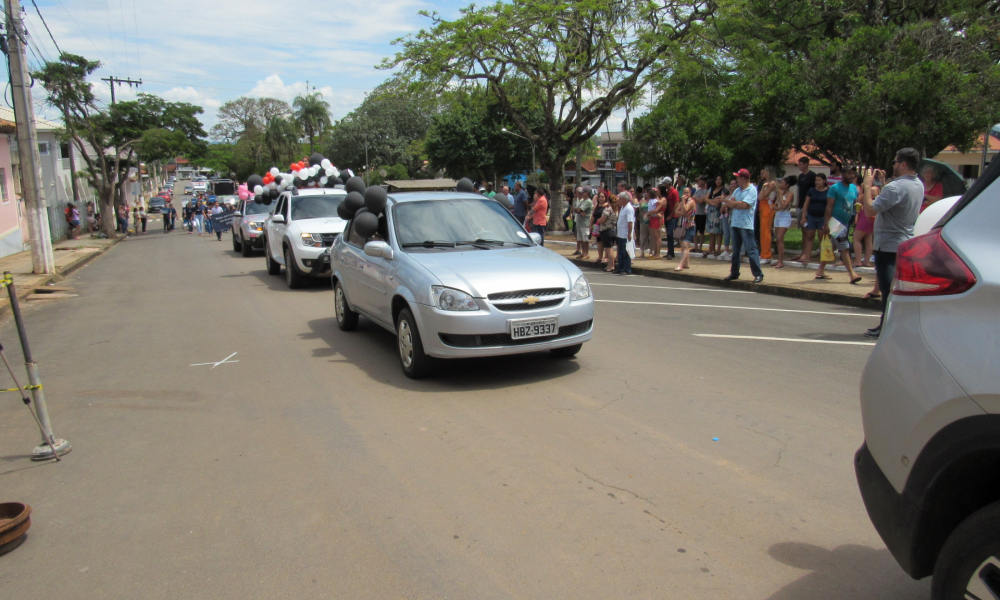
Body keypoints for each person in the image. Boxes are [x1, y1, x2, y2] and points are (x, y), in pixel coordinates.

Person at [860, 148, 924, 339]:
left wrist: (867, 187)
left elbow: (870, 210)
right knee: (894, 288)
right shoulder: (917, 184)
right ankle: (885, 324)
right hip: (905, 242)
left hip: (888, 244)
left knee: (888, 290)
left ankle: (887, 326)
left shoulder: (894, 188)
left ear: (903, 164)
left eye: (896, 162)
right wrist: (884, 183)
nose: (893, 164)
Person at [816, 166, 862, 284]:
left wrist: (857, 210)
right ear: (842, 174)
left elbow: (853, 203)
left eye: (853, 173)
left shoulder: (854, 188)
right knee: (844, 247)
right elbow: (829, 206)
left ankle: (820, 270)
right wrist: (826, 224)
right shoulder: (835, 188)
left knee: (832, 246)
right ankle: (852, 274)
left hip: (846, 221)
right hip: (834, 221)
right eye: (848, 173)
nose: (851, 176)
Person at [723, 168, 764, 283]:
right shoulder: (737, 190)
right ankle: (734, 272)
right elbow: (731, 202)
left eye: (738, 177)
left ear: (744, 179)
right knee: (735, 250)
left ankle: (758, 274)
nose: (736, 180)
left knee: (751, 249)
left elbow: (745, 205)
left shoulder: (752, 190)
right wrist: (727, 202)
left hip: (746, 224)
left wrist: (733, 204)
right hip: (735, 223)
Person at [799, 173, 831, 264]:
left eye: (819, 180)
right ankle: (807, 257)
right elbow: (806, 204)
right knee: (809, 237)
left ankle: (823, 259)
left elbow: (830, 205)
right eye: (816, 180)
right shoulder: (811, 191)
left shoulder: (828, 191)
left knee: (822, 238)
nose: (817, 182)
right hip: (811, 216)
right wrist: (803, 217)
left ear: (824, 181)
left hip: (823, 217)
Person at [773, 176, 796, 268]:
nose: (780, 185)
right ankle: (779, 259)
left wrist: (780, 196)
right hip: (777, 215)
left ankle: (781, 261)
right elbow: (775, 205)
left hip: (785, 216)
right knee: (777, 239)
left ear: (787, 185)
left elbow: (784, 205)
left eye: (782, 183)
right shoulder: (780, 193)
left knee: (779, 238)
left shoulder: (790, 194)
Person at [757, 166, 778, 264]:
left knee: (766, 231)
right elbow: (760, 197)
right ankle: (763, 253)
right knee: (762, 231)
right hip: (762, 206)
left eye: (765, 172)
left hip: (768, 207)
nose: (763, 174)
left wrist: (764, 187)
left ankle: (767, 255)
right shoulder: (765, 183)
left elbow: (762, 196)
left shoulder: (772, 183)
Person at [673, 187, 696, 271]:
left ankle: (681, 264)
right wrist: (682, 211)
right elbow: (676, 212)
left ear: (690, 193)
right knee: (683, 246)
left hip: (689, 226)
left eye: (687, 192)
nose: (685, 194)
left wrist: (683, 202)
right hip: (682, 226)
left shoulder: (691, 201)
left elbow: (685, 210)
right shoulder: (682, 202)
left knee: (685, 245)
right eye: (684, 192)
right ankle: (686, 263)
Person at [614, 191, 635, 275]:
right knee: (620, 252)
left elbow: (630, 222)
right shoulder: (623, 208)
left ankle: (626, 269)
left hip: (625, 234)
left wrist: (629, 233)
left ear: (624, 199)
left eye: (620, 199)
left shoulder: (629, 208)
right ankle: (620, 268)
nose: (618, 201)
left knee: (626, 252)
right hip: (620, 234)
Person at [704, 175, 725, 257]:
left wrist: (711, 201)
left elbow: (720, 201)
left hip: (718, 212)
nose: (718, 181)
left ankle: (718, 249)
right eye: (717, 179)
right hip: (710, 212)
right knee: (711, 232)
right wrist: (712, 201)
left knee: (718, 231)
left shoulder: (724, 190)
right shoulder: (711, 189)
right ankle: (710, 249)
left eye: (720, 179)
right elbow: (705, 199)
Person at [659, 177, 679, 259]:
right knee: (668, 234)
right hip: (667, 215)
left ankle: (671, 252)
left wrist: (671, 215)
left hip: (672, 216)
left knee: (670, 234)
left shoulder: (674, 192)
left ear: (668, 183)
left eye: (665, 183)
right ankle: (670, 252)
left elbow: (676, 204)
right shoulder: (668, 192)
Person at [598, 195, 618, 272]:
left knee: (609, 249)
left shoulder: (608, 210)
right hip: (613, 229)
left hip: (607, 230)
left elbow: (603, 220)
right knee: (610, 248)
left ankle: (611, 265)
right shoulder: (616, 210)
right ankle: (609, 265)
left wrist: (599, 221)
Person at [572, 187, 593, 259]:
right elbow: (575, 209)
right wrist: (580, 211)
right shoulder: (581, 201)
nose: (582, 193)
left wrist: (579, 211)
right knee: (580, 239)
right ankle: (583, 253)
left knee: (585, 240)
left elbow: (579, 209)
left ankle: (586, 254)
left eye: (583, 192)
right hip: (579, 222)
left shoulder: (588, 201)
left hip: (585, 223)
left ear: (587, 193)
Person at [647, 187, 664, 260]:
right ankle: (655, 253)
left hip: (655, 218)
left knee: (657, 237)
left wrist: (658, 201)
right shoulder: (652, 200)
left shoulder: (654, 201)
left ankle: (658, 254)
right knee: (654, 237)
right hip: (653, 218)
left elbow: (659, 203)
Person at [692, 176, 708, 252]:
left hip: (702, 213)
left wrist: (697, 199)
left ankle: (700, 246)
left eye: (700, 181)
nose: (699, 182)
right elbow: (694, 199)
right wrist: (697, 199)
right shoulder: (697, 191)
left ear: (704, 181)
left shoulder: (706, 191)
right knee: (695, 230)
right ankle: (695, 246)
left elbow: (701, 201)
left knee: (701, 231)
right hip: (696, 213)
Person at [637, 188, 650, 258]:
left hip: (651, 221)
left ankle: (651, 251)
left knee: (651, 236)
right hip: (643, 221)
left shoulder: (653, 201)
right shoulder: (642, 201)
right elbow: (639, 210)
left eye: (647, 193)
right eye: (645, 193)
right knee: (643, 236)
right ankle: (642, 251)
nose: (646, 194)